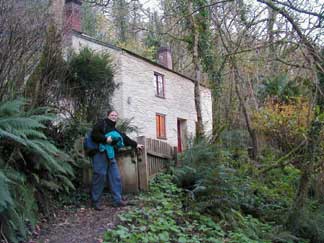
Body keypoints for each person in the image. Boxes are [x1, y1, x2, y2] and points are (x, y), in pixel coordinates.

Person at [90, 110, 144, 210]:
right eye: (112, 115)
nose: (114, 117)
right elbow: (94, 135)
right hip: (100, 153)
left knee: (115, 177)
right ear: (108, 116)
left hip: (111, 155)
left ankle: (117, 200)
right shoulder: (102, 124)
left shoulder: (115, 129)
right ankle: (95, 202)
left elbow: (124, 138)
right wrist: (105, 139)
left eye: (115, 115)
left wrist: (136, 144)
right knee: (100, 176)